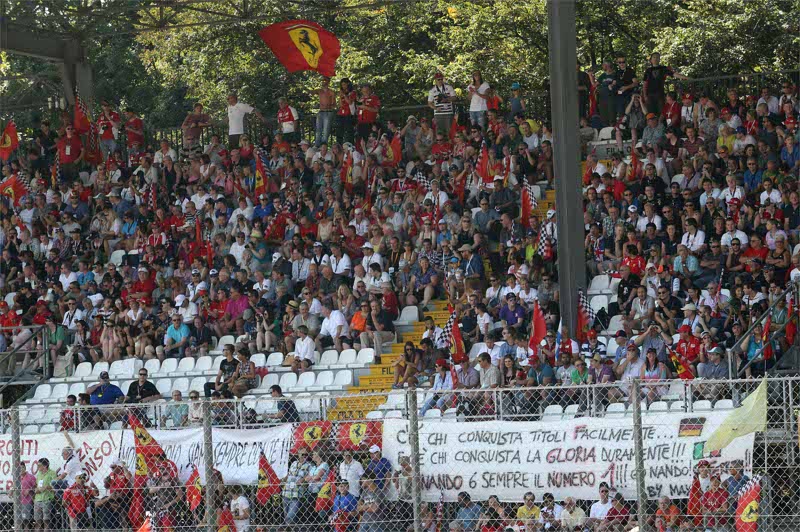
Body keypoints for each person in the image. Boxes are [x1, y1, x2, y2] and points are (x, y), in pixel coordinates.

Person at [34, 457, 57, 531]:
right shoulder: (39, 474)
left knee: (46, 520)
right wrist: (37, 490)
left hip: (47, 499)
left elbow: (55, 487)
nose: (38, 467)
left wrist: (47, 487)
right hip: (38, 499)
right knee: (37, 521)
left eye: (39, 465)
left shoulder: (52, 473)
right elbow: (37, 486)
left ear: (45, 466)